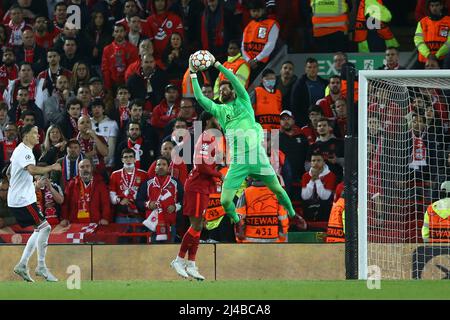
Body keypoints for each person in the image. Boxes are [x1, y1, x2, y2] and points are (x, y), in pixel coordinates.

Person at [189, 50, 298, 224]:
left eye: (226, 89)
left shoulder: (244, 100)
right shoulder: (220, 110)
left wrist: (217, 64)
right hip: (238, 161)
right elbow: (199, 97)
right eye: (221, 90)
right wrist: (193, 73)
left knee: (277, 188)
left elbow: (232, 79)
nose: (223, 91)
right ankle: (235, 217)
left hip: (257, 156)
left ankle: (293, 215)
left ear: (233, 91)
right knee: (225, 200)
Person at [170, 112, 222, 280]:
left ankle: (191, 263)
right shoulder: (206, 136)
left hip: (204, 187)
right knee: (196, 225)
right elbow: (200, 165)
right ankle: (178, 260)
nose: (220, 121)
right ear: (209, 121)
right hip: (197, 186)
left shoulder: (212, 138)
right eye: (217, 118)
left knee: (199, 226)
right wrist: (219, 175)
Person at [8, 124, 61, 282]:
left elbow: (10, 171)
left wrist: (23, 184)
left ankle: (23, 265)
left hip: (23, 197)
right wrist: (52, 167)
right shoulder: (24, 151)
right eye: (35, 133)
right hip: (22, 200)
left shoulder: (21, 150)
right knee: (46, 227)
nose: (38, 136)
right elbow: (31, 170)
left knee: (39, 230)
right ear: (25, 135)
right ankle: (41, 266)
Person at [136, 156, 183, 243]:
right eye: (158, 165)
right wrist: (148, 204)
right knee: (152, 253)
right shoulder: (147, 184)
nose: (161, 167)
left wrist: (175, 206)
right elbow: (138, 201)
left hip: (170, 225)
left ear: (168, 168)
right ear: (155, 169)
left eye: (164, 164)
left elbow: (184, 200)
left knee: (169, 252)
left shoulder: (175, 183)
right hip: (152, 225)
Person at [235, 177, 294, 243]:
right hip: (273, 241)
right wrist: (282, 239)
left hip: (250, 243)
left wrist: (240, 239)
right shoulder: (278, 193)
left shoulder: (246, 193)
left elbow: (239, 218)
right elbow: (283, 219)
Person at [59, 158, 111, 226]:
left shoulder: (100, 183)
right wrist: (64, 218)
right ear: (78, 170)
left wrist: (105, 218)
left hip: (95, 222)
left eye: (87, 166)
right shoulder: (72, 184)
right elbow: (65, 203)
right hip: (75, 223)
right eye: (82, 167)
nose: (85, 169)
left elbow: (105, 203)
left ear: (91, 168)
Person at [242, 0, 280, 82]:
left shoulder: (272, 24)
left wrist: (256, 59)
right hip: (249, 64)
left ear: (263, 10)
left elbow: (270, 45)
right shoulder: (248, 25)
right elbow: (243, 46)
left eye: (258, 10)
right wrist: (248, 60)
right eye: (253, 11)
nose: (255, 13)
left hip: (264, 63)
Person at [109, 148, 148, 225]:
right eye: (125, 157)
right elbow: (111, 196)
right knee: (121, 237)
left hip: (138, 216)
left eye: (131, 157)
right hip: (121, 216)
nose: (128, 159)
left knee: (138, 237)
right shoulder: (115, 174)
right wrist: (120, 200)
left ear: (135, 159)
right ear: (122, 160)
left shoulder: (144, 174)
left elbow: (147, 195)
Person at [290, 58, 328, 127]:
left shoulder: (324, 83)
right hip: (305, 122)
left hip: (323, 121)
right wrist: (301, 123)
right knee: (271, 137)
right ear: (305, 69)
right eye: (309, 67)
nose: (312, 69)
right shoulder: (299, 85)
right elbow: (295, 106)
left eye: (314, 67)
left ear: (318, 68)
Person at [301, 151, 337, 222]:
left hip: (325, 205)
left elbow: (325, 197)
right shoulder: (305, 176)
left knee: (325, 204)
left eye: (318, 160)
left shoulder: (331, 175)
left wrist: (317, 179)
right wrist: (311, 181)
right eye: (313, 161)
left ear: (324, 162)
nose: (315, 163)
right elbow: (305, 196)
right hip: (310, 204)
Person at [414, 0, 450, 69]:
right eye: (432, 6)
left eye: (437, 5)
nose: (434, 8)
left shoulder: (449, 21)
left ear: (441, 6)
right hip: (424, 60)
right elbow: (418, 41)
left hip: (444, 59)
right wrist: (428, 54)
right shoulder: (422, 22)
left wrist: (437, 55)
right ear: (429, 7)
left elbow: (449, 42)